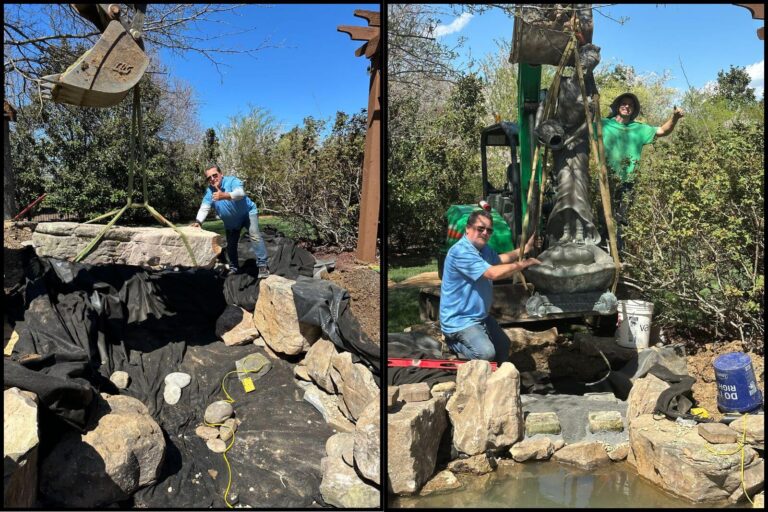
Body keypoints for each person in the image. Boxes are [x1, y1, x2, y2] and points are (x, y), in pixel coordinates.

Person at [439, 209, 541, 363]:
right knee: (485, 354)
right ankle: (453, 344)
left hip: (480, 317)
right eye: (480, 228)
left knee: (503, 346)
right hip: (459, 320)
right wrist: (524, 264)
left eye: (489, 230)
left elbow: (499, 259)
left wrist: (525, 249)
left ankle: (495, 377)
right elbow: (492, 273)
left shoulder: (483, 249)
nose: (485, 233)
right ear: (468, 228)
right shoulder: (461, 252)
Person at [597, 93, 684, 250]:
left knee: (621, 219)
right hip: (605, 179)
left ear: (634, 109)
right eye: (623, 103)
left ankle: (618, 252)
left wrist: (675, 117)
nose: (626, 106)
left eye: (630, 105)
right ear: (618, 106)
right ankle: (601, 250)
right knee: (603, 217)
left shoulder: (639, 128)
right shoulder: (602, 124)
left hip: (628, 181)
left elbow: (663, 131)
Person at [191, 164, 269, 277]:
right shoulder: (209, 191)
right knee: (231, 245)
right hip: (231, 222)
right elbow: (205, 207)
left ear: (221, 174)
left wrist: (225, 195)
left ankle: (263, 266)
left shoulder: (232, 181)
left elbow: (240, 193)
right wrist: (198, 222)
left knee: (255, 235)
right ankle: (234, 268)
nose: (212, 179)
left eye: (215, 175)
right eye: (209, 178)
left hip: (248, 214)